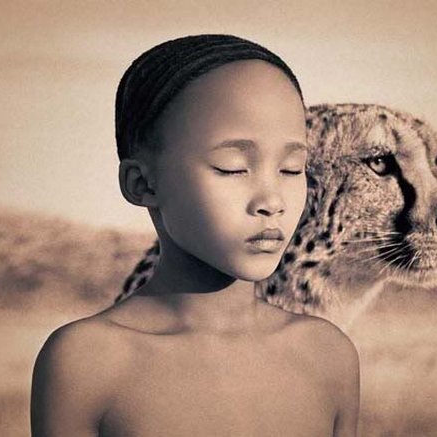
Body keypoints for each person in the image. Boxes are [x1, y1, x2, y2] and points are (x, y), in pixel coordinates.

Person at [30, 34, 359, 437]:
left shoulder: (328, 354)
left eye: (292, 169)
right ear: (141, 183)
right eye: (233, 167)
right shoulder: (86, 361)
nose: (273, 200)